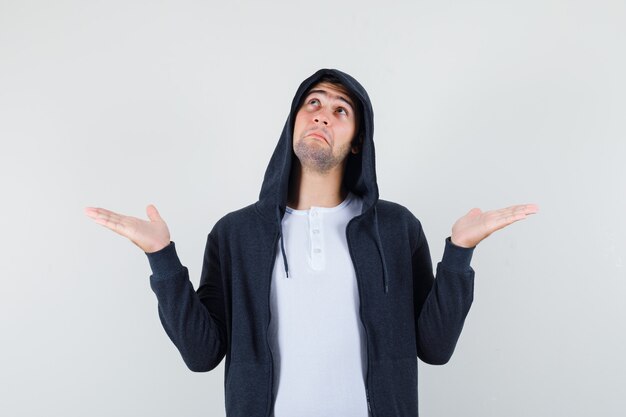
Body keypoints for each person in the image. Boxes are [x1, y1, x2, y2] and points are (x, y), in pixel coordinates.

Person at [85, 68, 538, 417]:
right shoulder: (236, 234)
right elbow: (203, 355)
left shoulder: (396, 229)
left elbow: (434, 348)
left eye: (341, 109)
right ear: (294, 123)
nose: (323, 112)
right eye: (313, 103)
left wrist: (459, 254)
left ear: (357, 141)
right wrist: (161, 258)